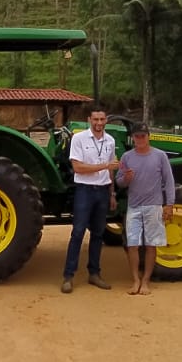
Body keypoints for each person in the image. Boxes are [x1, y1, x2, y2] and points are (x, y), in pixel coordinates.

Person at [61, 105, 119, 293]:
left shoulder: (110, 141)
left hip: (102, 192)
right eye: (95, 119)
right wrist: (105, 165)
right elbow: (78, 168)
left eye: (102, 120)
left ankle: (94, 274)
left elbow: (111, 170)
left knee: (98, 234)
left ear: (106, 121)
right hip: (85, 191)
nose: (99, 123)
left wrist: (112, 193)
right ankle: (68, 276)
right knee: (78, 232)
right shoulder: (78, 139)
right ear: (89, 120)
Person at [114, 122, 175, 296]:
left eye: (143, 135)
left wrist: (169, 204)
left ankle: (146, 281)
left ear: (148, 136)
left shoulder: (160, 156)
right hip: (134, 206)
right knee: (132, 245)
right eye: (137, 136)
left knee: (150, 245)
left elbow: (169, 181)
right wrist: (126, 178)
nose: (140, 139)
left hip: (154, 206)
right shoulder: (127, 157)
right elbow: (119, 182)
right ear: (132, 138)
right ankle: (135, 280)